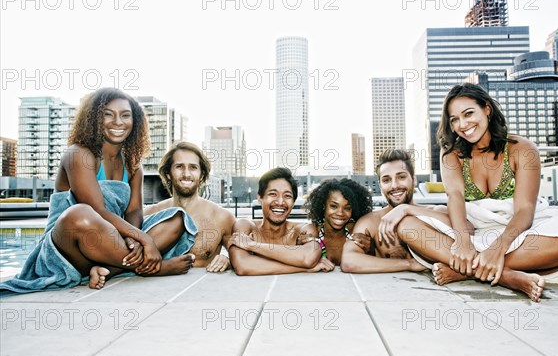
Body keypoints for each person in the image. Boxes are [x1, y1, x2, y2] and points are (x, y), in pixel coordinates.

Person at [383, 83, 558, 302]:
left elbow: (525, 209)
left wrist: (498, 248)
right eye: (454, 119)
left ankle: (465, 270)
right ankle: (505, 276)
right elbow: (455, 198)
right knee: (407, 226)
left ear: (487, 109)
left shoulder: (523, 149)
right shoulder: (451, 155)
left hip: (519, 231)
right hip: (473, 230)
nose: (463, 124)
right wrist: (463, 242)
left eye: (468, 114)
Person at [0, 88, 196, 293]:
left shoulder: (133, 165)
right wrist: (144, 239)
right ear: (94, 119)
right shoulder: (78, 154)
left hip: (110, 242)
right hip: (70, 246)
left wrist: (133, 238)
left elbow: (134, 211)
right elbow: (98, 211)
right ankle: (151, 268)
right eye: (108, 114)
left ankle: (106, 270)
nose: (118, 122)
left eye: (125, 115)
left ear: (135, 121)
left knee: (177, 218)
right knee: (80, 214)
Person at [341, 149, 451, 273]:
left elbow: (468, 238)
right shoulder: (371, 222)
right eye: (386, 180)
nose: (394, 185)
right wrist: (409, 264)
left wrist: (407, 210)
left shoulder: (437, 211)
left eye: (401, 177)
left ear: (413, 179)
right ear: (380, 185)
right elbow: (349, 261)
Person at [144, 141, 234, 272]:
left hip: (202, 289)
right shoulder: (150, 214)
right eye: (179, 166)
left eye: (193, 167)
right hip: (156, 290)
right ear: (168, 173)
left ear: (202, 174)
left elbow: (244, 257)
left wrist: (228, 260)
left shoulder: (222, 217)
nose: (186, 174)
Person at [228, 167, 334, 275]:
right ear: (260, 198)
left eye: (287, 196)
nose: (280, 202)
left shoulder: (303, 229)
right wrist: (304, 268)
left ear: (293, 202)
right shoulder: (245, 226)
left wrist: (253, 245)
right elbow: (243, 266)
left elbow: (307, 258)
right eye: (273, 194)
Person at [303, 178, 373, 265]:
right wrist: (299, 247)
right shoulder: (313, 233)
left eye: (347, 208)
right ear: (323, 206)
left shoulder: (356, 232)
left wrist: (370, 250)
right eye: (334, 206)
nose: (340, 213)